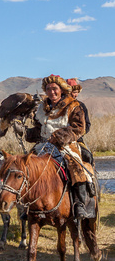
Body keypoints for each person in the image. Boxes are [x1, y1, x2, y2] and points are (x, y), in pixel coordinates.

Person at [25, 74, 94, 219]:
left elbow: (79, 127)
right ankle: (27, 205)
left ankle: (80, 204)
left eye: (55, 89)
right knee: (26, 167)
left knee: (77, 169)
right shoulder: (42, 108)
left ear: (61, 89)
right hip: (42, 146)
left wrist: (58, 137)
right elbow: (39, 129)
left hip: (66, 146)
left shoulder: (73, 105)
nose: (52, 92)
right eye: (48, 89)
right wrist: (26, 132)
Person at [67, 78, 94, 165]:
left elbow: (87, 125)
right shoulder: (57, 105)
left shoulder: (81, 106)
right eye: (71, 92)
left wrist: (77, 133)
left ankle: (90, 177)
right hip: (54, 139)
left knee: (87, 156)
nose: (73, 94)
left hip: (76, 139)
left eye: (75, 92)